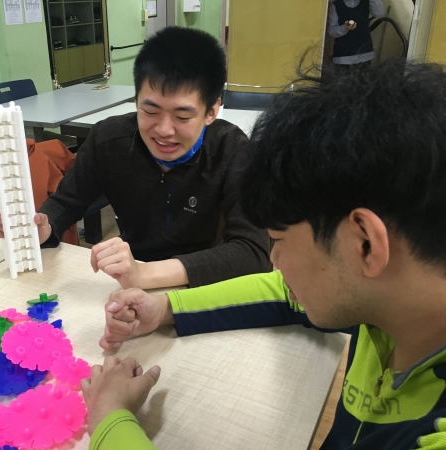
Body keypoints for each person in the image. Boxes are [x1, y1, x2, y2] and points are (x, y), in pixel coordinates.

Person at [81, 60, 446, 449]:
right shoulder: (389, 301)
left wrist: (109, 419)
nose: (275, 262)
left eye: (279, 241)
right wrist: (165, 307)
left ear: (366, 244)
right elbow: (284, 293)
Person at [0, 27, 270, 291]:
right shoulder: (108, 140)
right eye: (150, 112)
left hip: (203, 281)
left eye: (183, 116)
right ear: (136, 100)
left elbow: (253, 251)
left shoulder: (232, 151)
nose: (164, 130)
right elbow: (67, 201)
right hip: (128, 279)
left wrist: (146, 273)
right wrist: (43, 227)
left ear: (212, 111)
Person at [327, 0, 384, 67]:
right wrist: (345, 28)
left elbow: (379, 12)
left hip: (365, 55)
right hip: (343, 57)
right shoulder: (336, 5)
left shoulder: (367, 1)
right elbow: (331, 31)